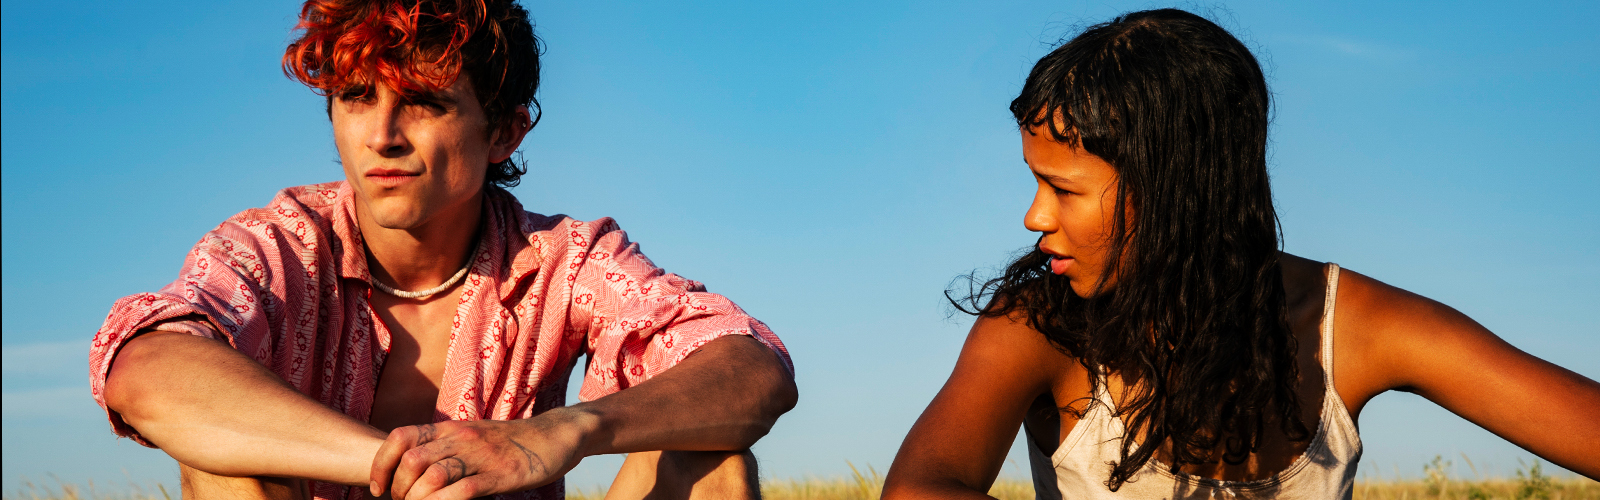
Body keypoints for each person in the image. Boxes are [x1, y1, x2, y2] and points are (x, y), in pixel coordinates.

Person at [86, 1, 797, 499]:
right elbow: (146, 363)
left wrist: (560, 433)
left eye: (425, 102)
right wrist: (410, 467)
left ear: (505, 133)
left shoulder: (565, 259)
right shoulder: (277, 246)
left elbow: (749, 364)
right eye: (358, 97)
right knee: (223, 464)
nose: (382, 136)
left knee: (713, 460)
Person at [883, 8, 1599, 500]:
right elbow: (920, 485)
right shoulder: (1038, 325)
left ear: (1174, 190)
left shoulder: (1348, 323)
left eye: (1062, 189)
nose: (1035, 216)